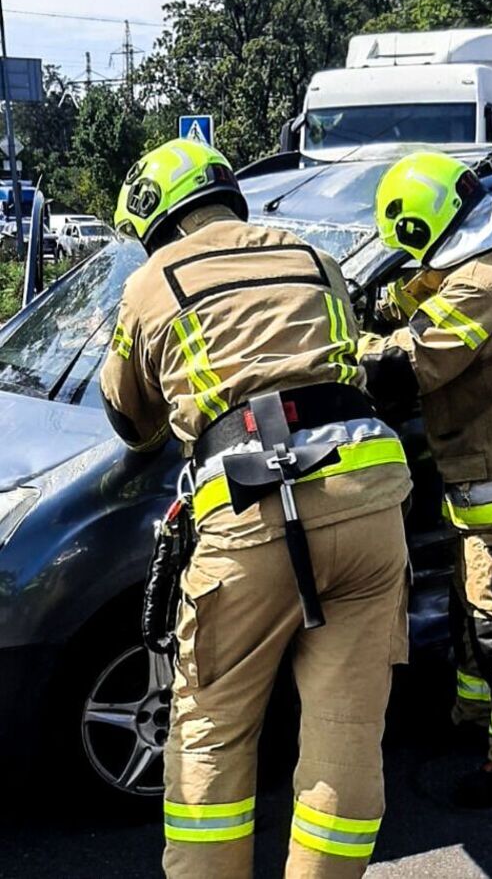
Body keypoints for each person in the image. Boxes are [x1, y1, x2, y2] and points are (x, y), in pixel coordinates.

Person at [101, 137, 414, 879]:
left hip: (249, 510)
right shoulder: (312, 257)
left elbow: (130, 415)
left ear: (152, 219)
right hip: (369, 500)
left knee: (210, 734)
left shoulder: (153, 281)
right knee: (345, 734)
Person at [360, 150, 492, 807]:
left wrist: (347, 351)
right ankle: (476, 714)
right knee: (475, 612)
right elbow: (432, 291)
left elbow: (404, 369)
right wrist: (384, 300)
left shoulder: (480, 286)